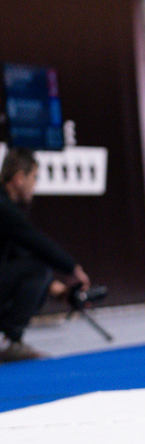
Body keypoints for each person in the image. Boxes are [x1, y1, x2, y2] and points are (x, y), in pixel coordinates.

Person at [0, 148, 90, 362]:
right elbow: (35, 241)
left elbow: (17, 258)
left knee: (38, 270)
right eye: (34, 178)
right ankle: (12, 340)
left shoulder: (7, 209)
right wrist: (72, 268)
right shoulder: (3, 207)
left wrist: (55, 289)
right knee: (40, 267)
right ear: (20, 177)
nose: (35, 185)